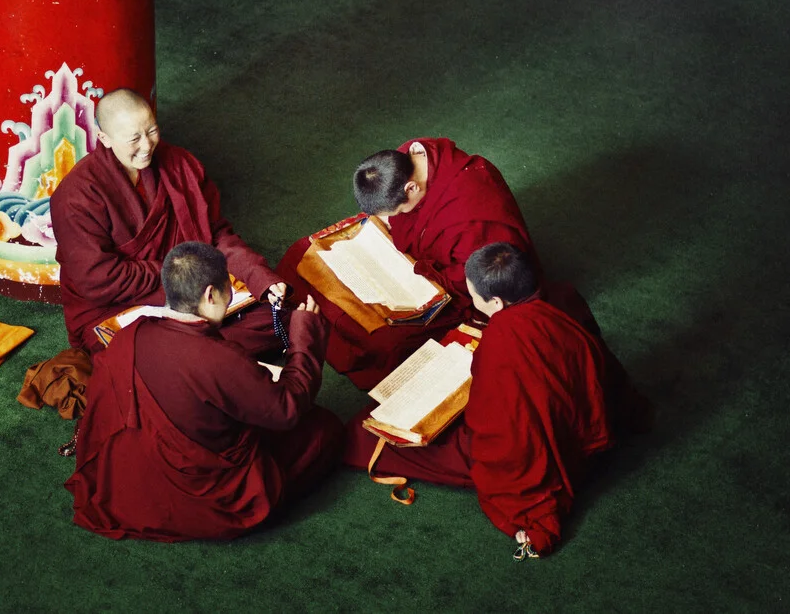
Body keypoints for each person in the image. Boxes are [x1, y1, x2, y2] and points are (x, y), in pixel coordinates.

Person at [342, 242, 618, 557]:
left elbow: (500, 436)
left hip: (535, 449)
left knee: (362, 435)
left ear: (497, 302)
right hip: (576, 426)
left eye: (475, 296)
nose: (473, 302)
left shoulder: (503, 339)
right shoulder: (560, 300)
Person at [65, 242, 344, 541]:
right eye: (228, 289)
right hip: (209, 496)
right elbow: (287, 409)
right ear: (211, 295)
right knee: (323, 430)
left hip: (133, 482)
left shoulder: (127, 336)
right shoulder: (220, 359)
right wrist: (305, 337)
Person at [276, 137, 537, 388]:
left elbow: (472, 275)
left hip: (443, 280)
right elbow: (394, 223)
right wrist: (389, 227)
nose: (397, 217)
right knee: (302, 254)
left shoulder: (471, 209)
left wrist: (419, 273)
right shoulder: (408, 157)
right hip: (410, 254)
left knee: (383, 341)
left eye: (400, 211)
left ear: (411, 188)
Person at [51, 88, 287, 355]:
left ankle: (200, 360)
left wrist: (257, 274)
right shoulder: (76, 197)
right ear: (104, 138)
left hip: (191, 291)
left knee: (276, 315)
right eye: (134, 139)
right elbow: (97, 280)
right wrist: (179, 273)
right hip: (118, 307)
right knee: (154, 353)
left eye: (152, 131)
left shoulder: (178, 164)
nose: (147, 146)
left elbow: (215, 235)